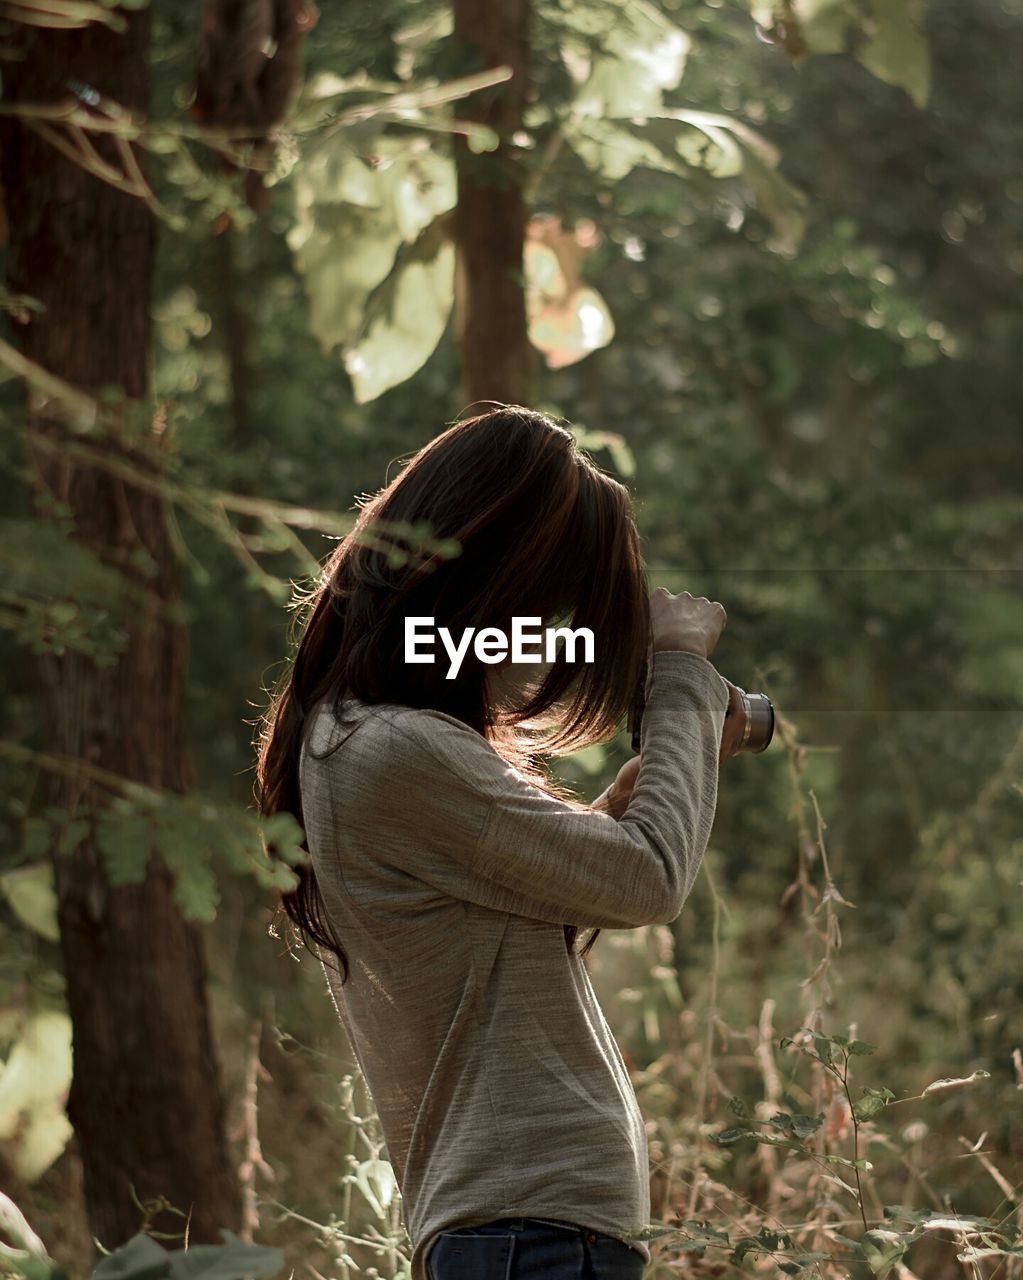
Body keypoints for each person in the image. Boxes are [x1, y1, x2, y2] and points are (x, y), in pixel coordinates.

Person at [256, 405, 745, 1280]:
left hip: (524, 1233)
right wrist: (680, 674)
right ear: (485, 586)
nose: (555, 643)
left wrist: (592, 827)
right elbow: (651, 881)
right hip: (531, 1235)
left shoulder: (366, 742)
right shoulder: (394, 747)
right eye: (551, 608)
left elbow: (488, 948)